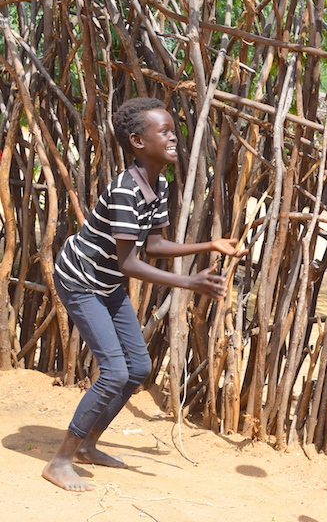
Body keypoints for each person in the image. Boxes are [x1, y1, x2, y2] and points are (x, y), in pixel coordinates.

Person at [42, 97, 248, 492]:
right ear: (137, 141)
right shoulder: (124, 191)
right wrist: (190, 283)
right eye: (165, 131)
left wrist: (210, 245)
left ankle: (88, 446)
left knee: (137, 368)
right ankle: (60, 460)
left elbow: (153, 244)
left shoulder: (158, 184)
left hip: (106, 281)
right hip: (81, 279)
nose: (173, 137)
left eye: (173, 130)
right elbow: (129, 264)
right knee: (115, 371)